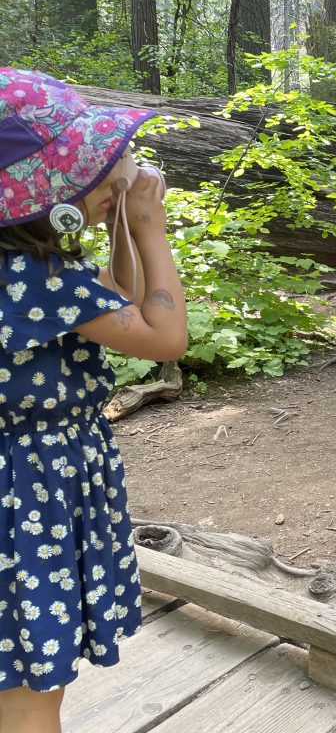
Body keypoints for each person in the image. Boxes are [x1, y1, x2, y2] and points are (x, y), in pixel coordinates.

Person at [0, 68, 187, 732]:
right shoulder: (46, 280)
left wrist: (117, 227)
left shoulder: (25, 270)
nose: (112, 176)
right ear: (45, 189)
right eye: (95, 167)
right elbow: (162, 333)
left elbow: (117, 294)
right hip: (34, 493)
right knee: (29, 689)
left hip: (15, 486)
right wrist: (149, 223)